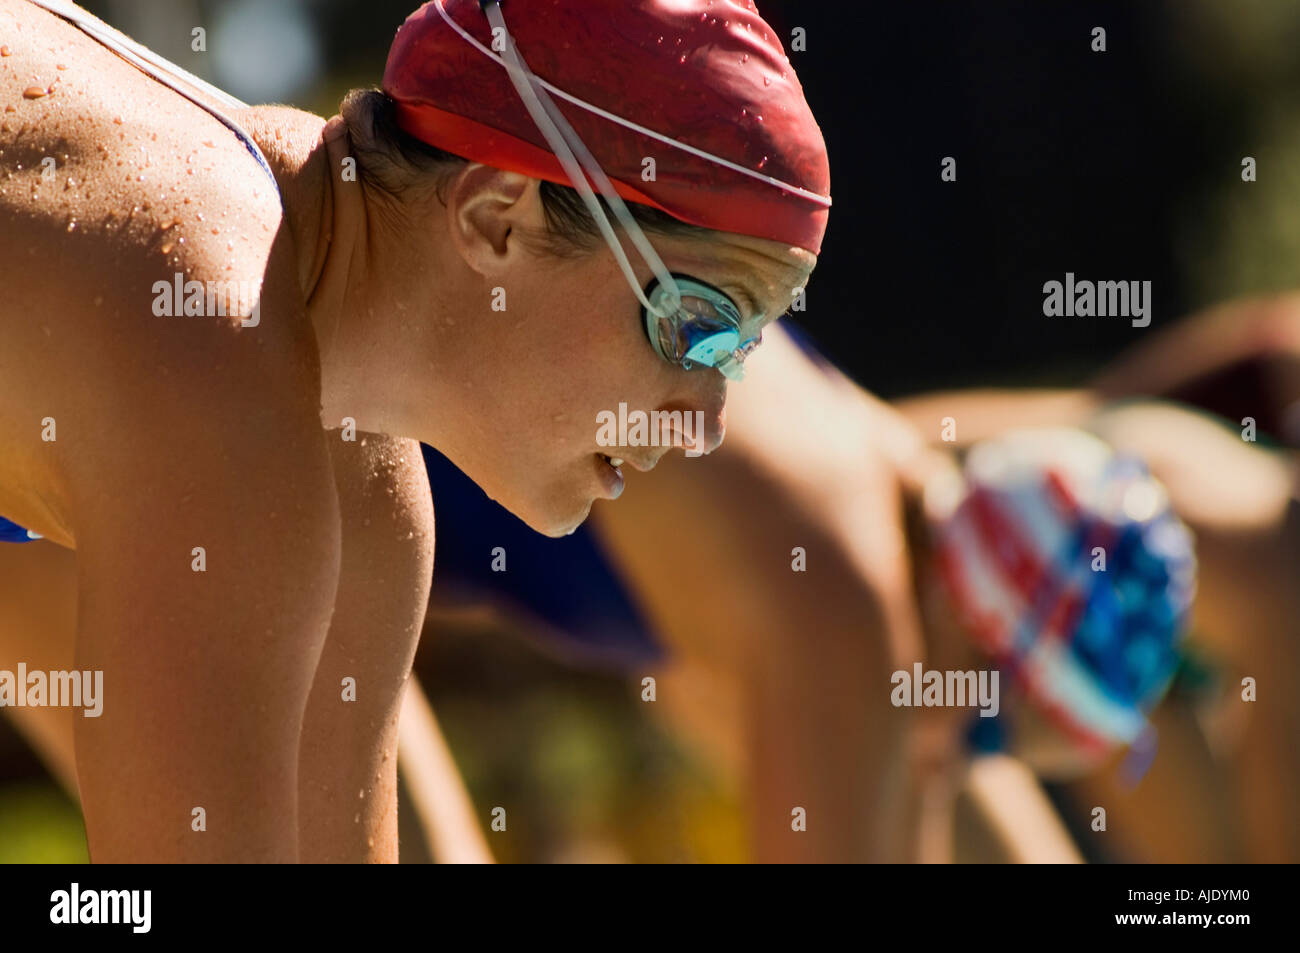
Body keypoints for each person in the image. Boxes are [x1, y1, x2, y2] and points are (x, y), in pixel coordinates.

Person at [0, 0, 824, 861]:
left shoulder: (358, 481)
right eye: (694, 326)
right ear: (496, 216)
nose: (709, 422)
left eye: (739, 353)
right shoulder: (211, 337)